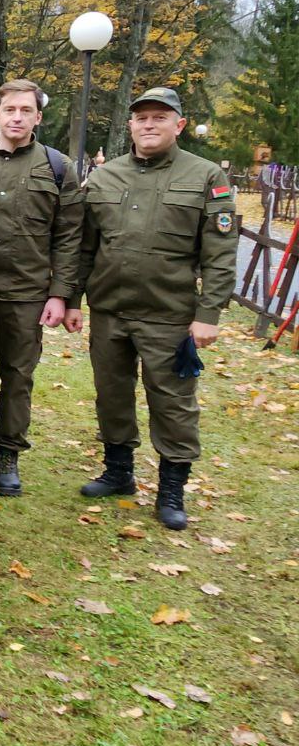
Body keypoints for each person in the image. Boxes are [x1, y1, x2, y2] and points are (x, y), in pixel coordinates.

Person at [70, 86, 237, 531]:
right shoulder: (105, 177)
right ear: (130, 125)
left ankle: (171, 490)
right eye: (141, 117)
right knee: (112, 396)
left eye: (160, 117)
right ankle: (119, 471)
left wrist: (209, 314)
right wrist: (71, 300)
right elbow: (85, 248)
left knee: (173, 404)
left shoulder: (203, 176)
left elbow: (220, 252)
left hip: (169, 314)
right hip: (110, 311)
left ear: (178, 124)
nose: (149, 124)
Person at [0, 80, 83, 496]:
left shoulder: (58, 167)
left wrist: (61, 294)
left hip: (28, 294)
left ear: (37, 117)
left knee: (18, 377)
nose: (16, 117)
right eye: (9, 109)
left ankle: (9, 451)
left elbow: (69, 236)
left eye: (25, 111)